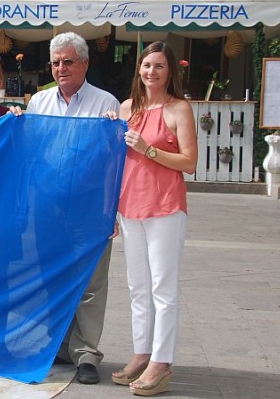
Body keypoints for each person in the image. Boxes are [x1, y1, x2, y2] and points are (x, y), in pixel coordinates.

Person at [25, 32, 120, 384]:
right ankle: (58, 347)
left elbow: (114, 161)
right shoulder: (39, 103)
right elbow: (32, 153)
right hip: (48, 205)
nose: (61, 68)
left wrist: (115, 209)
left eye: (68, 61)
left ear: (85, 63)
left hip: (91, 206)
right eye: (55, 62)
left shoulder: (105, 103)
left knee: (92, 283)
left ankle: (87, 356)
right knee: (51, 278)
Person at [112, 41, 197, 396]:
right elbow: (115, 160)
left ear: (169, 72)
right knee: (138, 287)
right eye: (146, 65)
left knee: (163, 287)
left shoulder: (179, 109)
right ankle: (141, 353)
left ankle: (161, 361)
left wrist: (149, 150)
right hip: (130, 207)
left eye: (158, 66)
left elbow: (189, 162)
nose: (151, 72)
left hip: (164, 206)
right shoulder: (127, 108)